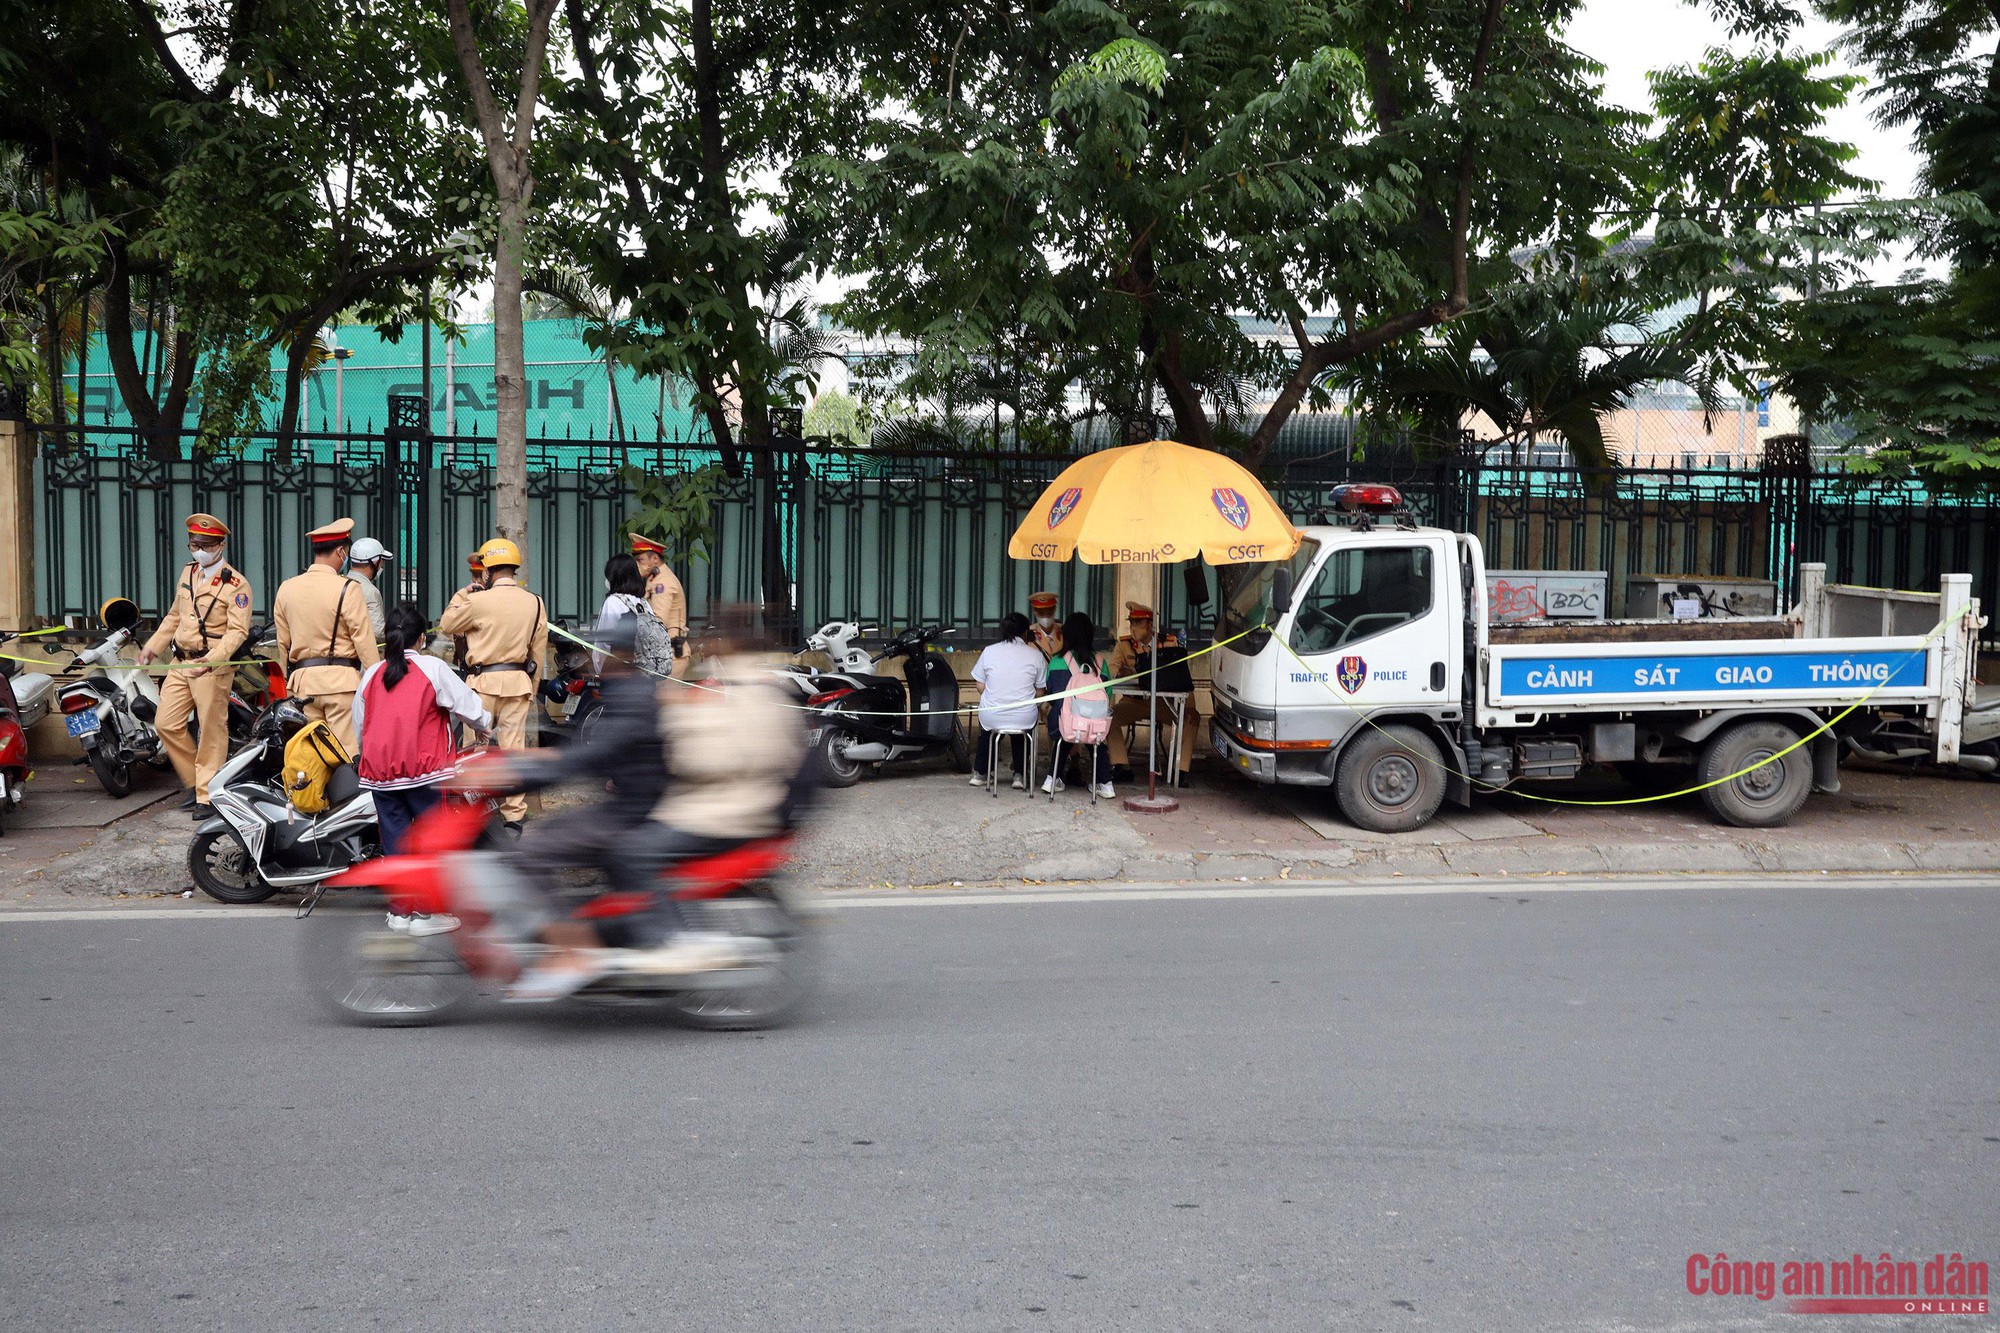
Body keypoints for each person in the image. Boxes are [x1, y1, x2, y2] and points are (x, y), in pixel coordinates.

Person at [506, 606, 806, 1001]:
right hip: (716, 800)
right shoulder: (738, 684)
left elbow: (719, 755)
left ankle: (653, 942)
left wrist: (684, 736)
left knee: (594, 849)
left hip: (727, 807)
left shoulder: (741, 688)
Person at [354, 603, 491, 936]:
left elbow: (361, 724)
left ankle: (400, 913)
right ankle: (427, 914)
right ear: (422, 638)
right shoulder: (433, 667)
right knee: (433, 841)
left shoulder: (372, 673)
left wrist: (369, 756)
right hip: (425, 771)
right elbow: (469, 708)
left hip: (380, 772)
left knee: (395, 841)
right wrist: (486, 724)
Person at [136, 513, 253, 818]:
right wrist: (152, 649)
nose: (200, 549)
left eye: (206, 544)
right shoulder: (188, 573)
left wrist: (212, 660)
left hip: (211, 665)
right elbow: (174, 616)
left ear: (220, 544)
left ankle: (208, 795)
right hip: (181, 662)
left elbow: (237, 632)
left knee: (212, 731)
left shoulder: (237, 584)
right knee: (165, 723)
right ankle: (195, 782)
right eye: (194, 543)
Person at [438, 537, 549, 832]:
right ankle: (514, 816)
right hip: (518, 683)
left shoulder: (476, 601)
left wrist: (463, 594)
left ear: (487, 571)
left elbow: (447, 625)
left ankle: (475, 813)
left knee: (476, 750)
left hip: (481, 683)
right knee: (514, 752)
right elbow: (538, 653)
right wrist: (532, 688)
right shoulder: (535, 602)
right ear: (513, 569)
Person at [272, 517, 379, 753]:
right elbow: (364, 642)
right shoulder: (348, 588)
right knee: (347, 755)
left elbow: (284, 645)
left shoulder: (286, 588)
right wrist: (378, 684)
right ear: (341, 552)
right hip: (341, 685)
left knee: (310, 756)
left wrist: (290, 687)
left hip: (302, 685)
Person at [1107, 600, 1200, 781]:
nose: (1134, 628)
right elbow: (1111, 671)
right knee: (1108, 718)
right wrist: (1120, 673)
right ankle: (1121, 766)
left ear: (1150, 625)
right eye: (1132, 623)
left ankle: (1180, 772)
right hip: (1133, 702)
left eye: (1139, 623)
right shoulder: (1123, 645)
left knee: (1192, 717)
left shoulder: (1168, 643)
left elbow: (1178, 674)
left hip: (1163, 703)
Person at [968, 612, 1048, 790]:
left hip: (992, 715)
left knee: (987, 732)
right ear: (1026, 632)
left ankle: (980, 773)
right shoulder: (1036, 656)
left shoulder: (989, 651)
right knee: (1022, 730)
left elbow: (979, 686)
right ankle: (1019, 774)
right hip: (1024, 717)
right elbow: (1041, 692)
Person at [1043, 610, 1116, 799]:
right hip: (1095, 726)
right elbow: (1107, 695)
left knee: (1066, 731)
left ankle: (1053, 778)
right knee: (1095, 739)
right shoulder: (1101, 661)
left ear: (1065, 634)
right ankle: (1105, 784)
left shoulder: (1057, 661)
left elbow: (1051, 695)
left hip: (1064, 724)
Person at [628, 533, 690, 671]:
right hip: (664, 654)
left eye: (640, 560)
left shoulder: (663, 582)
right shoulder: (655, 579)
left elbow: (657, 621)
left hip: (670, 656)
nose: (637, 565)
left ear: (655, 559)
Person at [594, 553, 647, 673]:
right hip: (643, 674)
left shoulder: (613, 602)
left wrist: (600, 671)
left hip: (617, 673)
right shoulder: (643, 603)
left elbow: (604, 643)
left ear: (615, 577)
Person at [347, 537, 393, 640]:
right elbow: (377, 632)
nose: (382, 566)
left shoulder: (340, 583)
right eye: (382, 562)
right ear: (375, 562)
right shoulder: (370, 591)